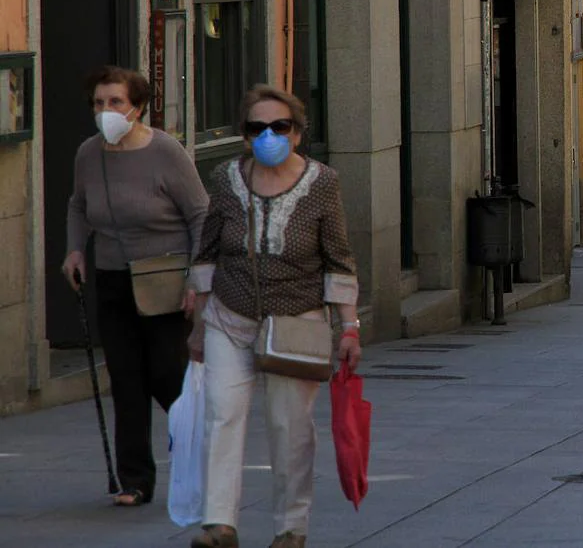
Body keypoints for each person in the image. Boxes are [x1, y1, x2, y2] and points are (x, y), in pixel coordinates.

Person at [187, 86, 361, 548]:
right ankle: (219, 525)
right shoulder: (225, 178)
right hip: (231, 315)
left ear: (297, 133)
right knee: (222, 415)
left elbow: (338, 258)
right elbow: (205, 252)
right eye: (256, 128)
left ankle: (291, 528)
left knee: (291, 428)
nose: (268, 135)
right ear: (244, 136)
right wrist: (200, 324)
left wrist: (349, 328)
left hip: (295, 323)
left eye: (279, 127)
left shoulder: (322, 182)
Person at [62, 66, 210, 508]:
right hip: (111, 277)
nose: (106, 111)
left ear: (137, 107)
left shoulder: (166, 152)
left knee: (166, 372)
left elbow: (200, 213)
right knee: (125, 380)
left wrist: (196, 278)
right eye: (99, 103)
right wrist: (74, 251)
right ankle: (135, 480)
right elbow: (77, 206)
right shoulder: (89, 153)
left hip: (164, 278)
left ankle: (199, 440)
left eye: (115, 102)